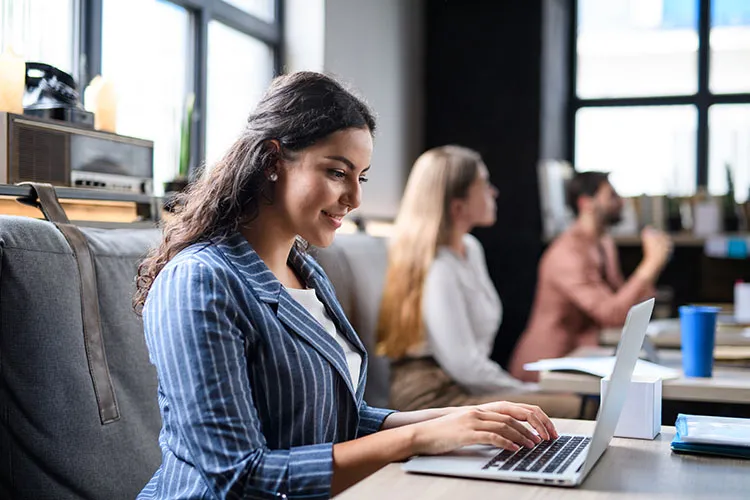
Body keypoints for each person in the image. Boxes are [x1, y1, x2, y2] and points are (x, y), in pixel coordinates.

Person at [133, 73, 559, 499]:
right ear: (271, 162)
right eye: (338, 172)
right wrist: (415, 440)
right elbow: (241, 477)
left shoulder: (307, 271)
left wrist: (465, 420)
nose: (354, 198)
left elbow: (340, 419)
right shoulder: (200, 281)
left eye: (362, 177)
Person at [376, 145, 583, 418]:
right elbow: (465, 366)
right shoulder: (439, 269)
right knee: (581, 406)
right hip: (432, 394)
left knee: (572, 403)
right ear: (457, 205)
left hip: (464, 383)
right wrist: (528, 390)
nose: (494, 192)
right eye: (484, 184)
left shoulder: (470, 249)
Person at [509, 171, 672, 382]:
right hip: (547, 367)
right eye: (611, 195)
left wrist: (653, 267)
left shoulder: (604, 244)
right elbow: (611, 313)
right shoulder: (567, 254)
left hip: (580, 360)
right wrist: (651, 264)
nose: (621, 202)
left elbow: (624, 308)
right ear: (586, 203)